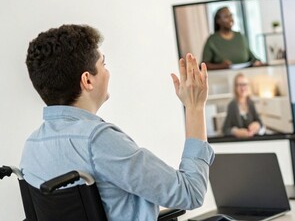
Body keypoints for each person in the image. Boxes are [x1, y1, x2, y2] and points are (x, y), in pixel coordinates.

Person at [20, 24, 214, 220]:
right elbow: (190, 192)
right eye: (103, 64)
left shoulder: (31, 147)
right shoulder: (97, 140)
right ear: (87, 80)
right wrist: (195, 108)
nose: (107, 72)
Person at [222, 73, 264, 138]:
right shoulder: (232, 105)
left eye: (244, 84)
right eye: (239, 85)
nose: (242, 88)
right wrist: (236, 132)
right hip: (239, 143)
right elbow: (225, 129)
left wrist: (257, 125)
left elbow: (260, 123)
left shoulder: (251, 103)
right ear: (235, 87)